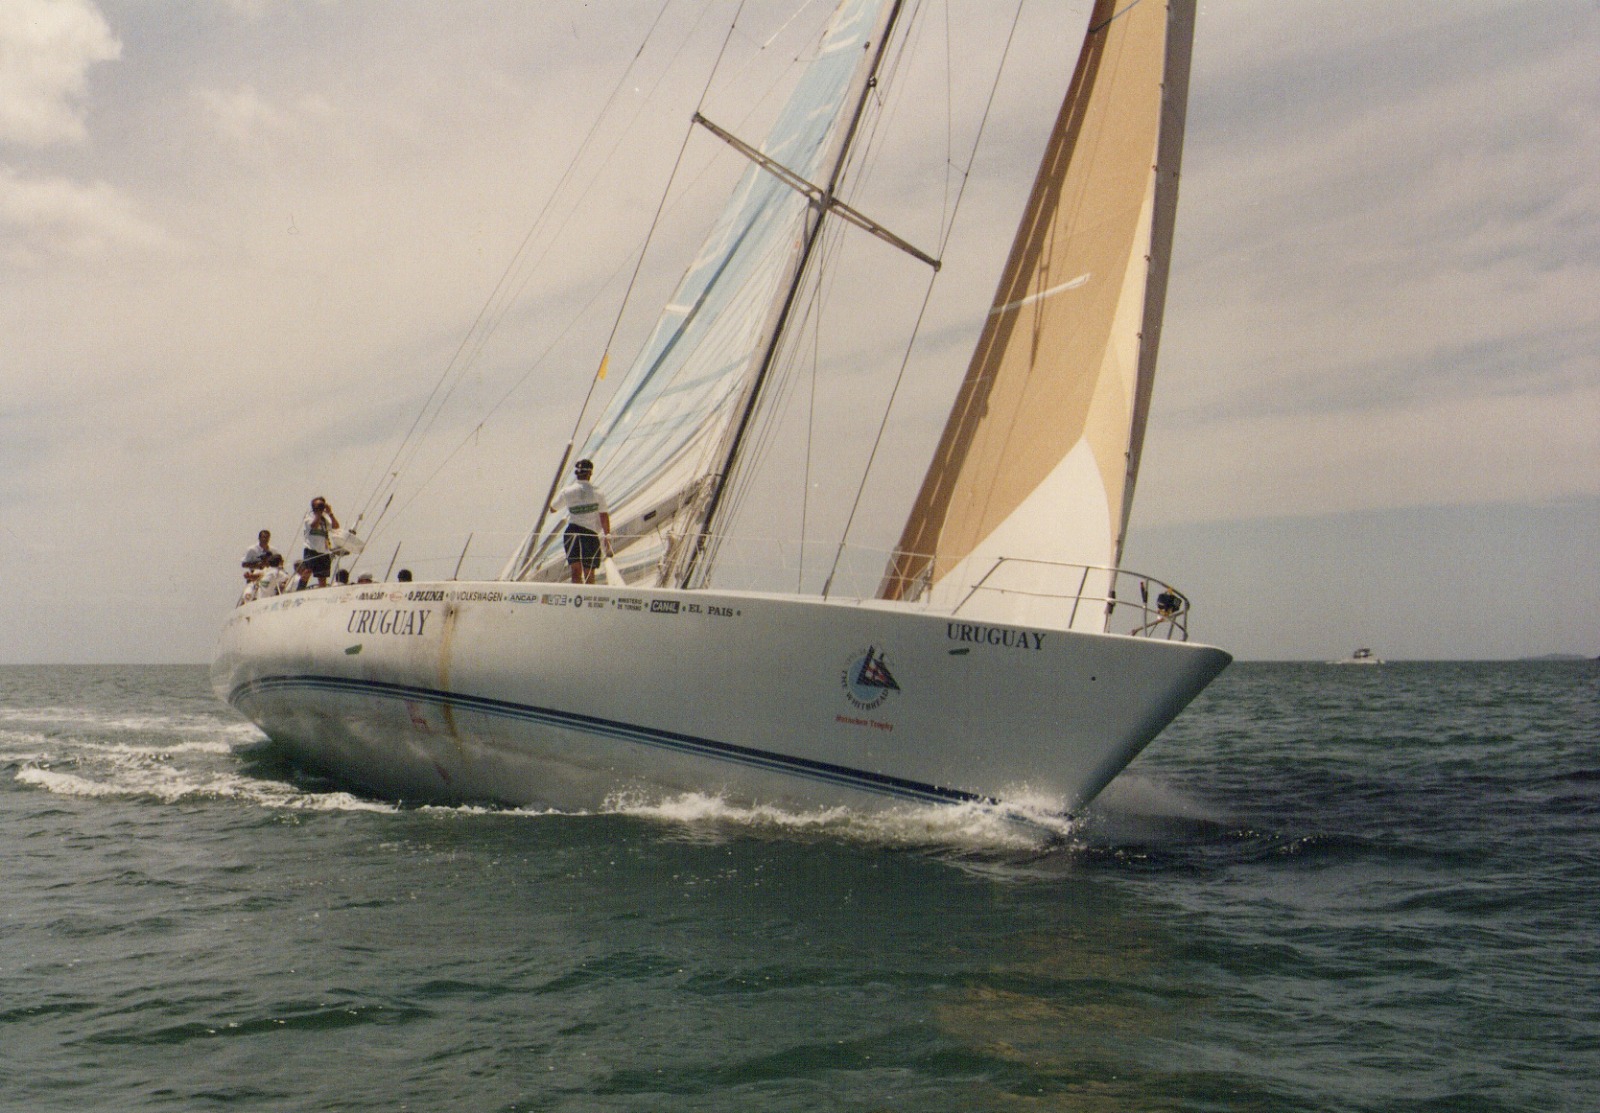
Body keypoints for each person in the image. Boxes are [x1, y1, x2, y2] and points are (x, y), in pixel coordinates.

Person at [550, 458, 611, 585]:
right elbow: (604, 516)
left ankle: (577, 596)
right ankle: (588, 597)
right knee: (589, 572)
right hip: (589, 534)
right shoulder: (597, 493)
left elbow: (553, 509)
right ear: (590, 473)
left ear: (577, 474)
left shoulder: (567, 491)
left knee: (575, 571)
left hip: (572, 532)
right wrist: (607, 537)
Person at [297, 496, 340, 588]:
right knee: (307, 571)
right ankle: (300, 589)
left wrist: (330, 513)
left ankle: (322, 592)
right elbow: (314, 525)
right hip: (311, 548)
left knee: (322, 576)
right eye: (318, 506)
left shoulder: (325, 519)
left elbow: (336, 526)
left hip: (323, 550)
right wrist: (318, 513)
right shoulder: (309, 516)